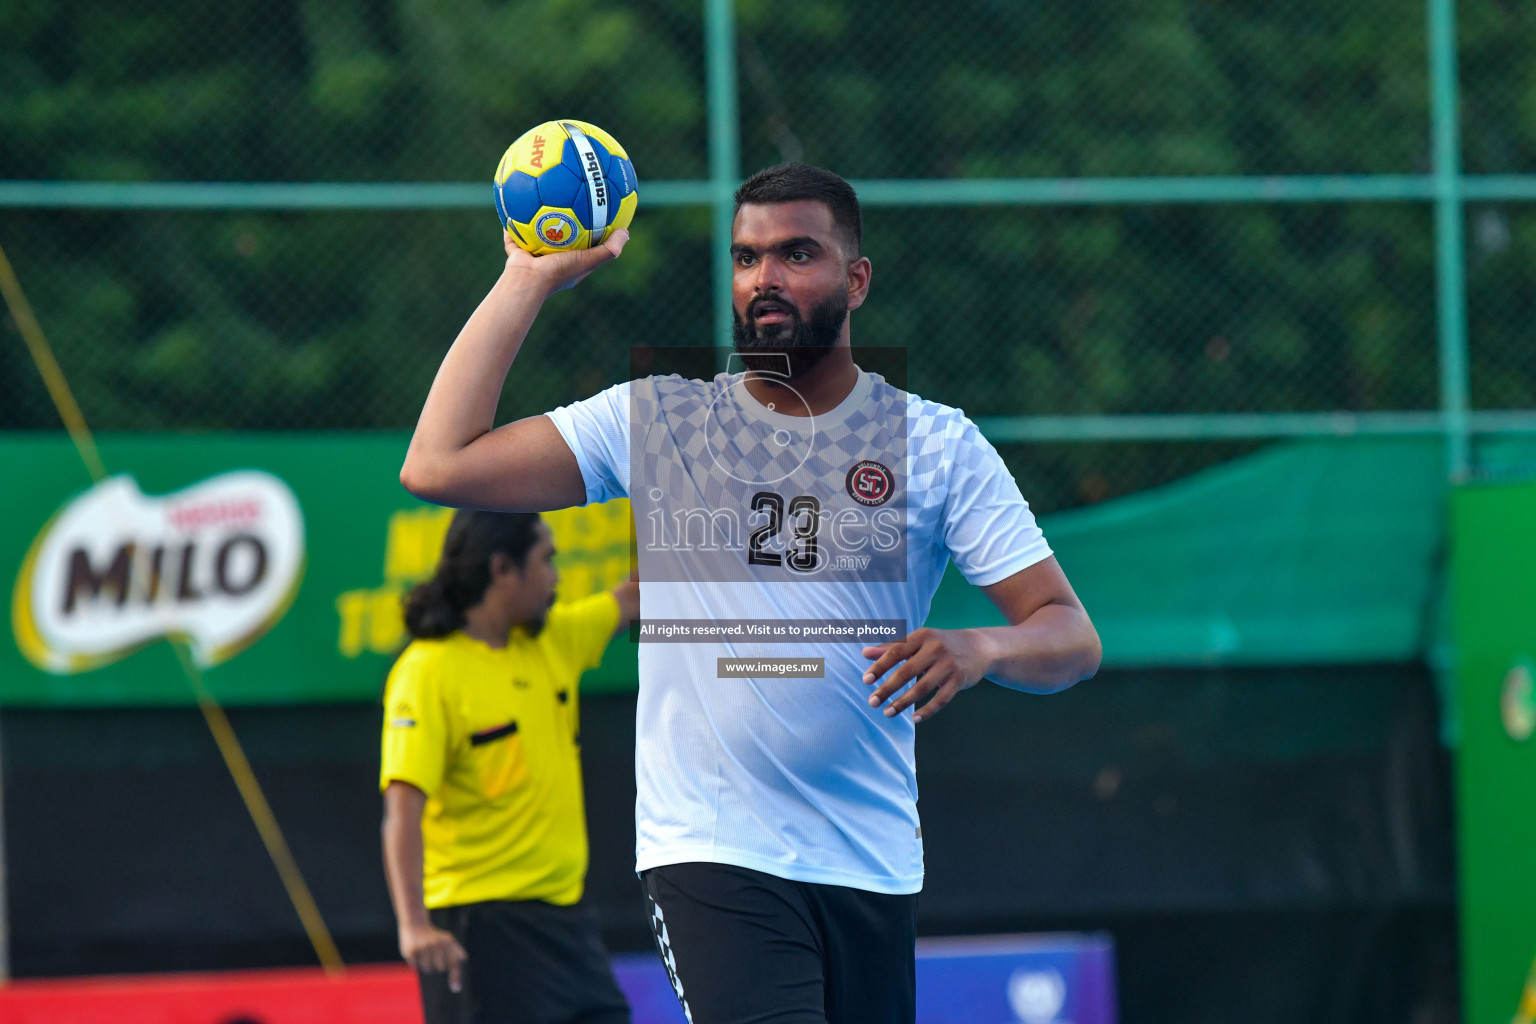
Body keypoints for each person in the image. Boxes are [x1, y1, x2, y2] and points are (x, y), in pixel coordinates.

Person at [399, 163, 1102, 1024]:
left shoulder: (936, 442)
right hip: (713, 853)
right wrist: (529, 275)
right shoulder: (660, 420)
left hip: (873, 863)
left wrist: (983, 646)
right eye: (746, 257)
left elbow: (1070, 637)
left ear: (857, 279)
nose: (764, 277)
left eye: (796, 253)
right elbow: (437, 464)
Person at [380, 509, 640, 1024]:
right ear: (502, 569)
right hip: (477, 928)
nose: (557, 576)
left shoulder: (553, 640)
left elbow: (636, 595)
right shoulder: (427, 672)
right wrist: (414, 926)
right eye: (547, 560)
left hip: (568, 922)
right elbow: (402, 812)